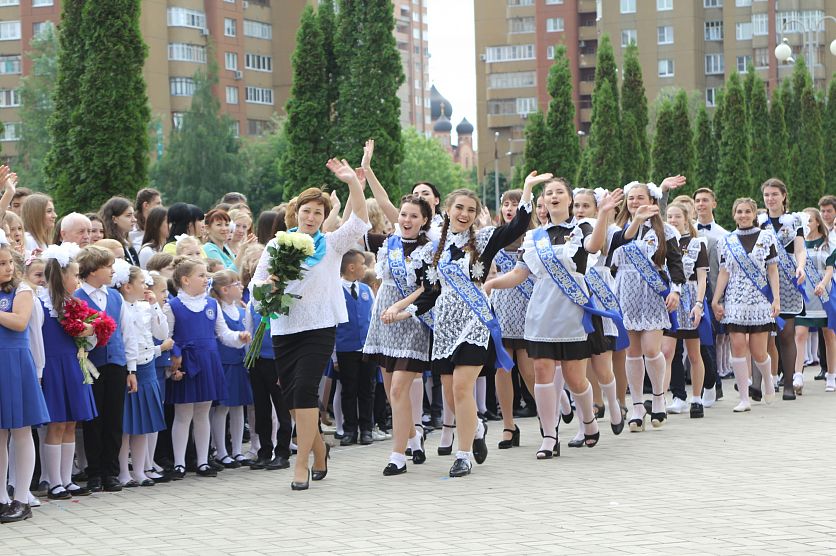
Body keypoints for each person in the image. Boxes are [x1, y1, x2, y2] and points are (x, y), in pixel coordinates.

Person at [402, 172, 537, 478]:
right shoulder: (432, 249)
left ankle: (463, 455)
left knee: (463, 389)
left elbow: (517, 225)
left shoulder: (485, 240)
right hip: (446, 324)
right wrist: (407, 311)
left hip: (475, 322)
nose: (464, 214)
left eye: (471, 210)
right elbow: (430, 291)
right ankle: (475, 426)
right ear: (447, 209)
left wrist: (527, 189)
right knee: (451, 396)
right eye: (459, 208)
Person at [251, 157, 370, 490]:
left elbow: (359, 222)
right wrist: (269, 285)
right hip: (285, 328)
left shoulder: (330, 244)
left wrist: (352, 183)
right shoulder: (277, 244)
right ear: (297, 211)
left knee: (305, 390)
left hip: (319, 326)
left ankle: (300, 463)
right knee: (292, 399)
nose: (312, 216)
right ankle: (319, 448)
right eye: (307, 210)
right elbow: (256, 286)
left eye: (319, 212)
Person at [484, 178, 622, 459]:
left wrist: (604, 214)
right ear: (543, 202)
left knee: (575, 377)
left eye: (560, 192)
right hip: (541, 313)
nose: (554, 196)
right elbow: (520, 273)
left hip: (572, 312)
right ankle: (549, 436)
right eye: (549, 193)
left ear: (570, 200)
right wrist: (490, 284)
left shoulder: (584, 227)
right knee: (543, 373)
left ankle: (588, 420)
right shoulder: (534, 237)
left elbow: (594, 247)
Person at [607, 178, 686, 432]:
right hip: (625, 291)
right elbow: (609, 261)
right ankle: (637, 404)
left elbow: (675, 263)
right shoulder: (618, 230)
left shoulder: (664, 232)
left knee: (653, 350)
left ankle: (660, 399)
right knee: (632, 352)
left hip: (652, 292)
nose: (634, 202)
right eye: (631, 198)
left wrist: (675, 290)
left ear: (652, 201)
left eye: (640, 197)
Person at [164, 257, 249, 480]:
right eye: (201, 275)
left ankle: (203, 460)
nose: (206, 280)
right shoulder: (172, 306)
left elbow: (222, 333)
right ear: (185, 280)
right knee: (183, 414)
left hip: (209, 359)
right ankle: (180, 463)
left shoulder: (211, 304)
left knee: (203, 412)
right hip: (186, 362)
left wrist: (239, 337)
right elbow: (167, 337)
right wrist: (174, 358)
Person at [36, 242, 98, 500]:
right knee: (57, 423)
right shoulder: (41, 302)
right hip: (52, 365)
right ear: (62, 276)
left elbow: (88, 333)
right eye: (74, 274)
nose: (77, 279)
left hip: (72, 364)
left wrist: (90, 331)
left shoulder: (74, 303)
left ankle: (66, 478)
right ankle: (53, 481)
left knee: (71, 422)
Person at [74, 246, 138, 493]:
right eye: (107, 266)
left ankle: (111, 471)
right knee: (94, 420)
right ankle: (95, 472)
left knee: (114, 418)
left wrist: (131, 369)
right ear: (92, 271)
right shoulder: (78, 297)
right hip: (92, 364)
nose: (113, 270)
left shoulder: (115, 297)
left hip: (116, 364)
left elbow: (126, 332)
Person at [0, 230, 50, 523]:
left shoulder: (22, 290)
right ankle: (2, 497)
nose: (7, 267)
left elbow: (19, 323)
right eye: (1, 263)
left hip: (15, 363)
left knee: (20, 431)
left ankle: (22, 497)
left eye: (9, 262)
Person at [712, 198, 780, 412]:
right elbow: (724, 272)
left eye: (747, 212)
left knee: (759, 352)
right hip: (735, 301)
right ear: (734, 215)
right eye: (739, 212)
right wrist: (716, 299)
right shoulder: (727, 240)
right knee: (738, 348)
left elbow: (772, 270)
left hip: (760, 301)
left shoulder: (766, 237)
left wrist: (776, 298)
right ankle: (744, 398)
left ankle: (768, 379)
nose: (743, 215)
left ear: (754, 214)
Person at [485, 189, 537, 450]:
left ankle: (546, 419)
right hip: (501, 310)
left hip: (528, 310)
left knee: (529, 370)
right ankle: (508, 425)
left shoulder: (534, 238)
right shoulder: (493, 238)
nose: (509, 208)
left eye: (515, 204)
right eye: (506, 204)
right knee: (502, 369)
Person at [112, 261, 168, 488]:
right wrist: (130, 368)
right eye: (142, 283)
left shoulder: (146, 306)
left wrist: (156, 307)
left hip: (148, 367)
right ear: (127, 286)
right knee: (127, 424)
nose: (146, 287)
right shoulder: (120, 307)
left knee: (144, 423)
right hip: (129, 368)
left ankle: (140, 470)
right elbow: (128, 340)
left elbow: (162, 333)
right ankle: (124, 471)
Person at [661, 204, 709, 418]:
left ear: (686, 218)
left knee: (693, 353)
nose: (673, 220)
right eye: (669, 216)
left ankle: (696, 399)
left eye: (677, 216)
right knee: (667, 353)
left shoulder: (698, 244)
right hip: (670, 298)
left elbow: (702, 278)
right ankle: (662, 398)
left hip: (689, 298)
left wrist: (699, 304)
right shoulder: (662, 242)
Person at [759, 178, 806, 399]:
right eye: (767, 195)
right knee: (761, 335)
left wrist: (801, 267)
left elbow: (799, 248)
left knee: (786, 334)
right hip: (764, 283)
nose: (770, 199)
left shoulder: (794, 220)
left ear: (784, 196)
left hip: (787, 282)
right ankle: (761, 383)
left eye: (774, 194)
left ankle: (788, 383)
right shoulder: (758, 220)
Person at [208, 269, 254, 468]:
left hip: (239, 363)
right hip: (224, 363)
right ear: (225, 290)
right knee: (222, 408)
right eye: (236, 284)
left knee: (238, 407)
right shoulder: (217, 309)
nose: (241, 286)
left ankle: (237, 450)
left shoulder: (242, 310)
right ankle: (221, 450)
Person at [334, 250, 376, 447]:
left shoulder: (366, 290)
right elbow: (332, 325)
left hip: (366, 349)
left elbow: (372, 318)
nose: (364, 268)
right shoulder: (335, 290)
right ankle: (350, 429)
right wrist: (334, 356)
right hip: (345, 348)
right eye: (362, 264)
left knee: (367, 389)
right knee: (349, 389)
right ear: (351, 267)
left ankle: (366, 428)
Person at [794, 208, 836, 391]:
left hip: (823, 293)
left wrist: (822, 284)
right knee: (800, 333)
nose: (806, 225)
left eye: (809, 221)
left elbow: (829, 269)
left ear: (817, 222)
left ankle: (832, 375)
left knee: (828, 335)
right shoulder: (798, 245)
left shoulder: (829, 244)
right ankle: (797, 375)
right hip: (805, 294)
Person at [100, 197, 140, 266]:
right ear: (114, 219)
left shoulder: (128, 245)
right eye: (128, 216)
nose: (134, 219)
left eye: (133, 215)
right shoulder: (110, 247)